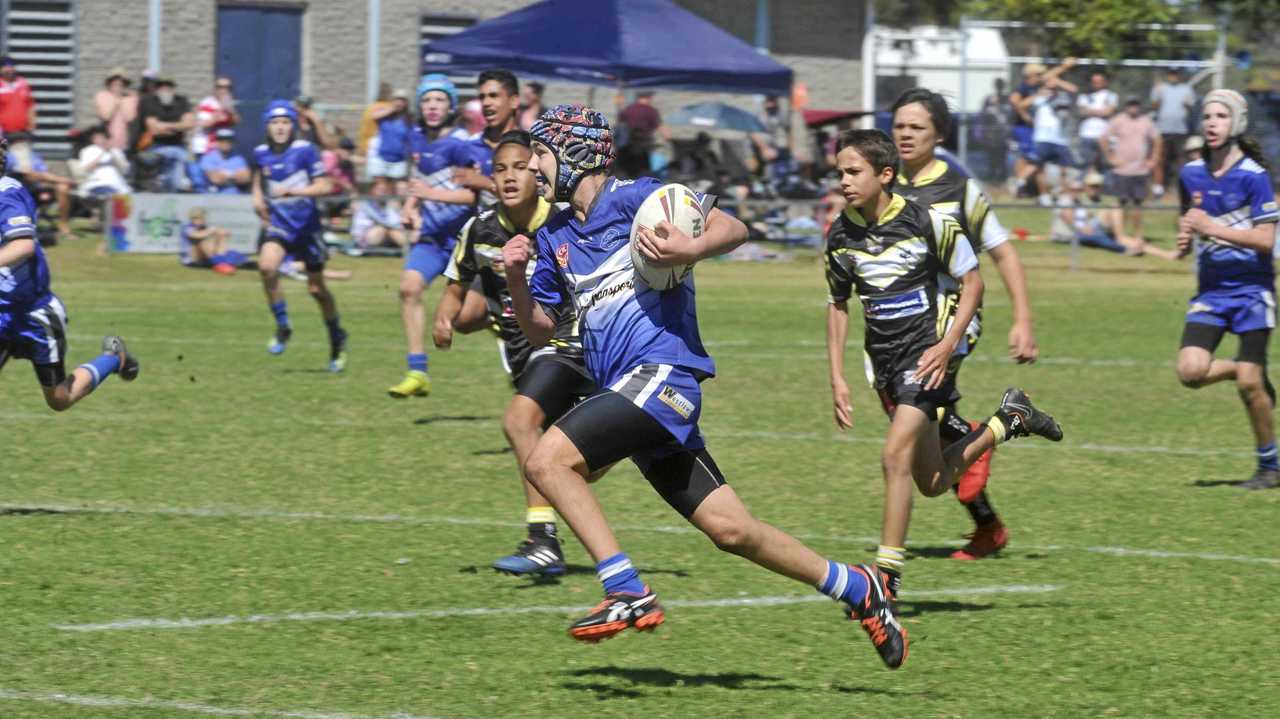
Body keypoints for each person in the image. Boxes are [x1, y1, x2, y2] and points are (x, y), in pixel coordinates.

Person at [503, 104, 907, 670]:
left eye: (541, 154)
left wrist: (690, 249)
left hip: (663, 375)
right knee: (731, 530)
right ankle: (857, 587)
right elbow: (540, 325)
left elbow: (733, 227)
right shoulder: (551, 235)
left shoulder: (636, 199)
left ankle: (625, 589)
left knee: (546, 462)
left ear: (574, 153)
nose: (533, 167)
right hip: (628, 390)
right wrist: (518, 278)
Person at [826, 128, 1065, 600]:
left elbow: (972, 281)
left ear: (885, 174)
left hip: (926, 356)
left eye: (854, 172)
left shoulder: (926, 221)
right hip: (885, 365)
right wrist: (836, 376)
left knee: (893, 456)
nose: (845, 181)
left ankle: (886, 578)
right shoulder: (840, 233)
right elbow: (838, 305)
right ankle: (1007, 420)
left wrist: (947, 343)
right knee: (933, 480)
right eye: (840, 173)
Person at [434, 130, 595, 576]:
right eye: (500, 169)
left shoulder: (562, 221)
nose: (509, 177)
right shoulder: (480, 228)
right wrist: (444, 319)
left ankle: (542, 539)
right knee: (570, 465)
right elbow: (456, 280)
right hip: (523, 354)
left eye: (520, 167)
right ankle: (579, 553)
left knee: (520, 424)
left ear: (538, 172)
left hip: (567, 344)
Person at [890, 89, 1039, 560]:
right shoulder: (886, 185)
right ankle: (987, 511)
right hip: (902, 323)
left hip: (954, 316)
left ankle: (980, 435)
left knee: (917, 419)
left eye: (916, 127)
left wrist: (1023, 318)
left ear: (939, 134)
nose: (905, 134)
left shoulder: (960, 190)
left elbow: (1002, 251)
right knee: (920, 431)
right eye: (899, 126)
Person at [388, 70, 518, 399]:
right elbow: (428, 179)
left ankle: (506, 322)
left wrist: (432, 194)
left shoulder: (465, 144)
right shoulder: (418, 139)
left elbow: (472, 193)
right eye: (427, 99)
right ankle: (417, 369)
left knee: (460, 319)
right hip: (433, 239)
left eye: (440, 99)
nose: (432, 105)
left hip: (465, 240)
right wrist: (411, 204)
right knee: (408, 288)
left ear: (452, 106)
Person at [1174, 89, 1280, 489]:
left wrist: (1211, 229)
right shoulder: (1191, 173)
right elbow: (1190, 219)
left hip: (1253, 292)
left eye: (1220, 116)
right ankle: (1244, 370)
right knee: (1190, 371)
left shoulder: (1254, 177)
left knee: (1252, 388)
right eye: (1207, 116)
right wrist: (1185, 238)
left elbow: (1266, 240)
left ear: (1236, 123)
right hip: (1211, 294)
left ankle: (1270, 467)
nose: (1211, 123)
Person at [0, 136, 140, 410]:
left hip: (34, 315)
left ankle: (114, 358)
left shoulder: (7, 193)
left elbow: (24, 244)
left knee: (60, 398)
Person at [251, 100, 348, 372]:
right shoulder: (261, 152)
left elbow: (325, 185)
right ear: (267, 126)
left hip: (308, 228)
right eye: (274, 123)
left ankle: (337, 337)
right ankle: (283, 326)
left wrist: (297, 193)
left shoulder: (304, 150)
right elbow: (259, 178)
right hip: (280, 226)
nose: (280, 128)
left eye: (285, 122)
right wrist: (257, 199)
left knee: (317, 290)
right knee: (267, 267)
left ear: (293, 125)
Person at [1050, 173, 1178, 259]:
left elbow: (1085, 218)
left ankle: (1167, 254)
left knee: (1126, 237)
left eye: (1097, 186)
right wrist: (1083, 228)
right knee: (1106, 230)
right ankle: (1122, 245)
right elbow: (1067, 217)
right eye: (1092, 186)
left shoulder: (1085, 201)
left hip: (1085, 230)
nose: (1095, 189)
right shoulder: (1066, 200)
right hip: (1071, 235)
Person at [1008, 59, 1075, 197]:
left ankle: (1046, 192)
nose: (1041, 76)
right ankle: (1021, 184)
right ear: (1029, 75)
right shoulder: (1024, 87)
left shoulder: (1039, 85)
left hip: (1039, 130)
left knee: (1040, 164)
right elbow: (1015, 101)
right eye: (1037, 74)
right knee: (1029, 159)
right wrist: (1025, 115)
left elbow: (1051, 76)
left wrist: (1064, 66)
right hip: (1026, 129)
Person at [1101, 97, 1162, 242]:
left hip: (1140, 171)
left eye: (1136, 104)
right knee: (1120, 204)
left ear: (1139, 106)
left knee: (1138, 205)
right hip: (1121, 172)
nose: (1133, 107)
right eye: (1130, 104)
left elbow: (1157, 139)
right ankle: (1119, 234)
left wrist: (1154, 159)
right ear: (1126, 106)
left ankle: (1138, 235)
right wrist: (1110, 158)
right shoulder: (1118, 120)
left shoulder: (1146, 121)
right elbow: (1103, 138)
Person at [1026, 76, 1079, 205]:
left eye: (1052, 84)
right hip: (1042, 138)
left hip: (1060, 138)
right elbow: (1021, 105)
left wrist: (1059, 82)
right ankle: (1045, 197)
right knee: (1040, 168)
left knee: (1065, 169)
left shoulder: (1063, 96)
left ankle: (1064, 196)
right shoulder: (1039, 98)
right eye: (1048, 84)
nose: (1051, 86)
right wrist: (1040, 94)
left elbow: (1075, 90)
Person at [137, 76, 195, 192]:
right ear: (157, 89)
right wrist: (178, 126)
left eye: (168, 86)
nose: (165, 89)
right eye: (161, 86)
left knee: (183, 174)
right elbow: (153, 128)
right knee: (167, 180)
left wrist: (165, 126)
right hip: (156, 147)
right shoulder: (149, 101)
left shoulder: (181, 101)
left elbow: (189, 124)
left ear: (173, 88)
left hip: (179, 146)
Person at [1151, 67, 1197, 197]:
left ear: (1179, 75)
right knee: (1161, 160)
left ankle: (1182, 188)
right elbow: (1154, 106)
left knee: (1181, 161)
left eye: (1176, 74)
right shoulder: (1160, 88)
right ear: (1167, 75)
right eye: (1171, 74)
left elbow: (1191, 106)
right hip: (1163, 129)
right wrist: (1158, 97)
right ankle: (1159, 189)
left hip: (1180, 130)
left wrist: (1187, 104)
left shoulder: (1186, 89)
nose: (1173, 76)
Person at [366, 89, 413, 194]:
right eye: (397, 99)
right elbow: (372, 116)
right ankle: (374, 208)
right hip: (381, 157)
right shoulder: (385, 115)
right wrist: (392, 109)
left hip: (399, 160)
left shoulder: (408, 119)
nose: (399, 102)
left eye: (402, 100)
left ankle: (391, 209)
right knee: (380, 188)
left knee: (395, 189)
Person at [0, 56, 37, 173]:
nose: (9, 70)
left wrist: (33, 124)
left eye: (11, 67)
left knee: (25, 168)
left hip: (20, 133)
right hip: (2, 134)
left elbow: (30, 105)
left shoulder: (23, 83)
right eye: (6, 68)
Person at [617, 91, 666, 178]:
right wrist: (668, 138)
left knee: (625, 173)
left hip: (626, 147)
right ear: (649, 98)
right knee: (642, 173)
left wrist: (620, 104)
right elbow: (660, 128)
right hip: (642, 147)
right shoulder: (651, 111)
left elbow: (620, 122)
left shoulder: (629, 109)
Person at [1076, 71, 1118, 173]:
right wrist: (1101, 111)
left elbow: (1108, 112)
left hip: (1104, 135)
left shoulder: (1112, 95)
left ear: (1105, 82)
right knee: (1087, 164)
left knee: (1106, 164)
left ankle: (1108, 188)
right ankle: (1086, 188)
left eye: (1099, 81)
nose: (1096, 84)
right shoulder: (1083, 96)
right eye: (1094, 81)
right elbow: (1082, 111)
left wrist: (1090, 110)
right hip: (1087, 135)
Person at [191, 76, 240, 157]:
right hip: (205, 147)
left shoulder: (228, 104)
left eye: (228, 87)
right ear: (215, 89)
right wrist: (220, 111)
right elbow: (205, 124)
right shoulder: (207, 103)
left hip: (221, 146)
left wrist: (231, 110)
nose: (224, 90)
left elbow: (236, 121)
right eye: (220, 87)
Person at [180, 207, 238, 274]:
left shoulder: (203, 227)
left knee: (220, 237)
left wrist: (223, 232)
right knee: (201, 241)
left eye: (200, 218)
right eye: (195, 218)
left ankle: (221, 263)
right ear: (191, 219)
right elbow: (196, 235)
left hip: (203, 257)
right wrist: (212, 230)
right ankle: (219, 263)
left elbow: (220, 232)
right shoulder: (187, 227)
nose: (198, 220)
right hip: (191, 260)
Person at [77, 125, 132, 197]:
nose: (100, 139)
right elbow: (86, 169)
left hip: (117, 183)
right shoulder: (87, 151)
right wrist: (101, 154)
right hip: (97, 182)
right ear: (92, 140)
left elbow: (125, 169)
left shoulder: (115, 150)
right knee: (110, 195)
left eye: (102, 137)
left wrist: (111, 153)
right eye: (96, 138)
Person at [93, 67, 137, 151]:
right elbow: (106, 116)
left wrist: (126, 99)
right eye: (115, 83)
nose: (118, 86)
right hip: (106, 141)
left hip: (125, 141)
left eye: (122, 83)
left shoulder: (130, 98)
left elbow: (130, 118)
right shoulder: (102, 96)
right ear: (109, 83)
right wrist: (116, 102)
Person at [198, 128, 251, 194]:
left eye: (229, 141)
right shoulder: (208, 158)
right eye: (222, 140)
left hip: (235, 197)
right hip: (212, 199)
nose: (225, 143)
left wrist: (225, 175)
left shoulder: (238, 158)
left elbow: (246, 178)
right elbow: (215, 179)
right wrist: (236, 176)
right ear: (217, 141)